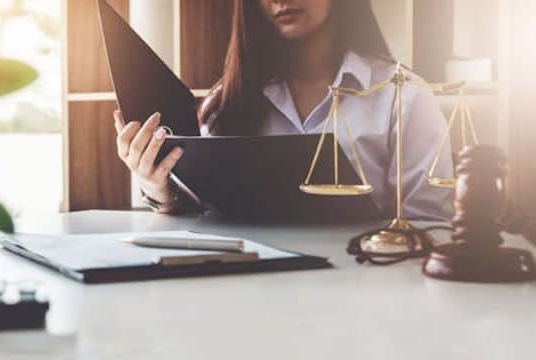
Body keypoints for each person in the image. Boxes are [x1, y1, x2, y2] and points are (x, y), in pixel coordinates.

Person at [113, 0, 454, 220]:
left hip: (367, 295)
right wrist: (157, 186)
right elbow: (202, 216)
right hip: (253, 298)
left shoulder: (404, 96)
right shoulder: (228, 100)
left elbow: (429, 223)